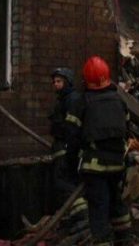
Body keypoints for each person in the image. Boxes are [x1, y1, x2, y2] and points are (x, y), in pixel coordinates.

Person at [65, 56, 130, 245]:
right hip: (118, 165)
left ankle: (102, 241)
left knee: (99, 208)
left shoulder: (82, 102)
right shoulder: (119, 101)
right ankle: (124, 240)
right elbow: (127, 131)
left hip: (95, 168)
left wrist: (71, 167)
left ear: (86, 80)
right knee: (116, 203)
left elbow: (71, 137)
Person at [49, 68, 87, 226]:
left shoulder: (72, 99)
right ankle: (75, 214)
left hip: (65, 148)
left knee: (63, 182)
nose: (55, 85)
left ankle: (81, 216)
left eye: (59, 81)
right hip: (62, 146)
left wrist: (69, 149)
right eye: (54, 82)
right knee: (67, 182)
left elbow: (71, 128)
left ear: (67, 82)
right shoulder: (64, 99)